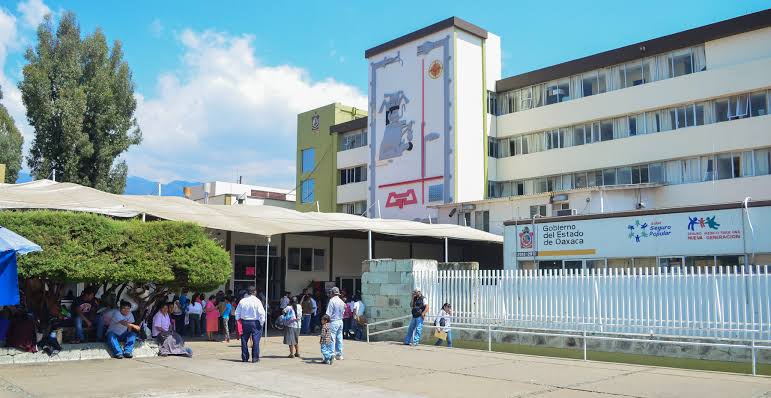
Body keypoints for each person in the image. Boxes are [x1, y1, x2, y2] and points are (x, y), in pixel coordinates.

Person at [234, 286, 266, 363]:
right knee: (255, 341)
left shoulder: (242, 301)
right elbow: (261, 313)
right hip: (255, 322)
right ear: (254, 292)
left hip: (244, 322)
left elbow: (237, 313)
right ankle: (255, 358)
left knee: (244, 340)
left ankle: (245, 358)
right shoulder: (257, 301)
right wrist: (262, 323)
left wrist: (238, 321)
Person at [326, 287, 345, 360]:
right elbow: (343, 312)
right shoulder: (341, 301)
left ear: (333, 293)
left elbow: (328, 313)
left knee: (332, 338)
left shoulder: (332, 301)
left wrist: (325, 322)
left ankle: (332, 354)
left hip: (333, 321)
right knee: (339, 338)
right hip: (340, 321)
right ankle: (339, 354)